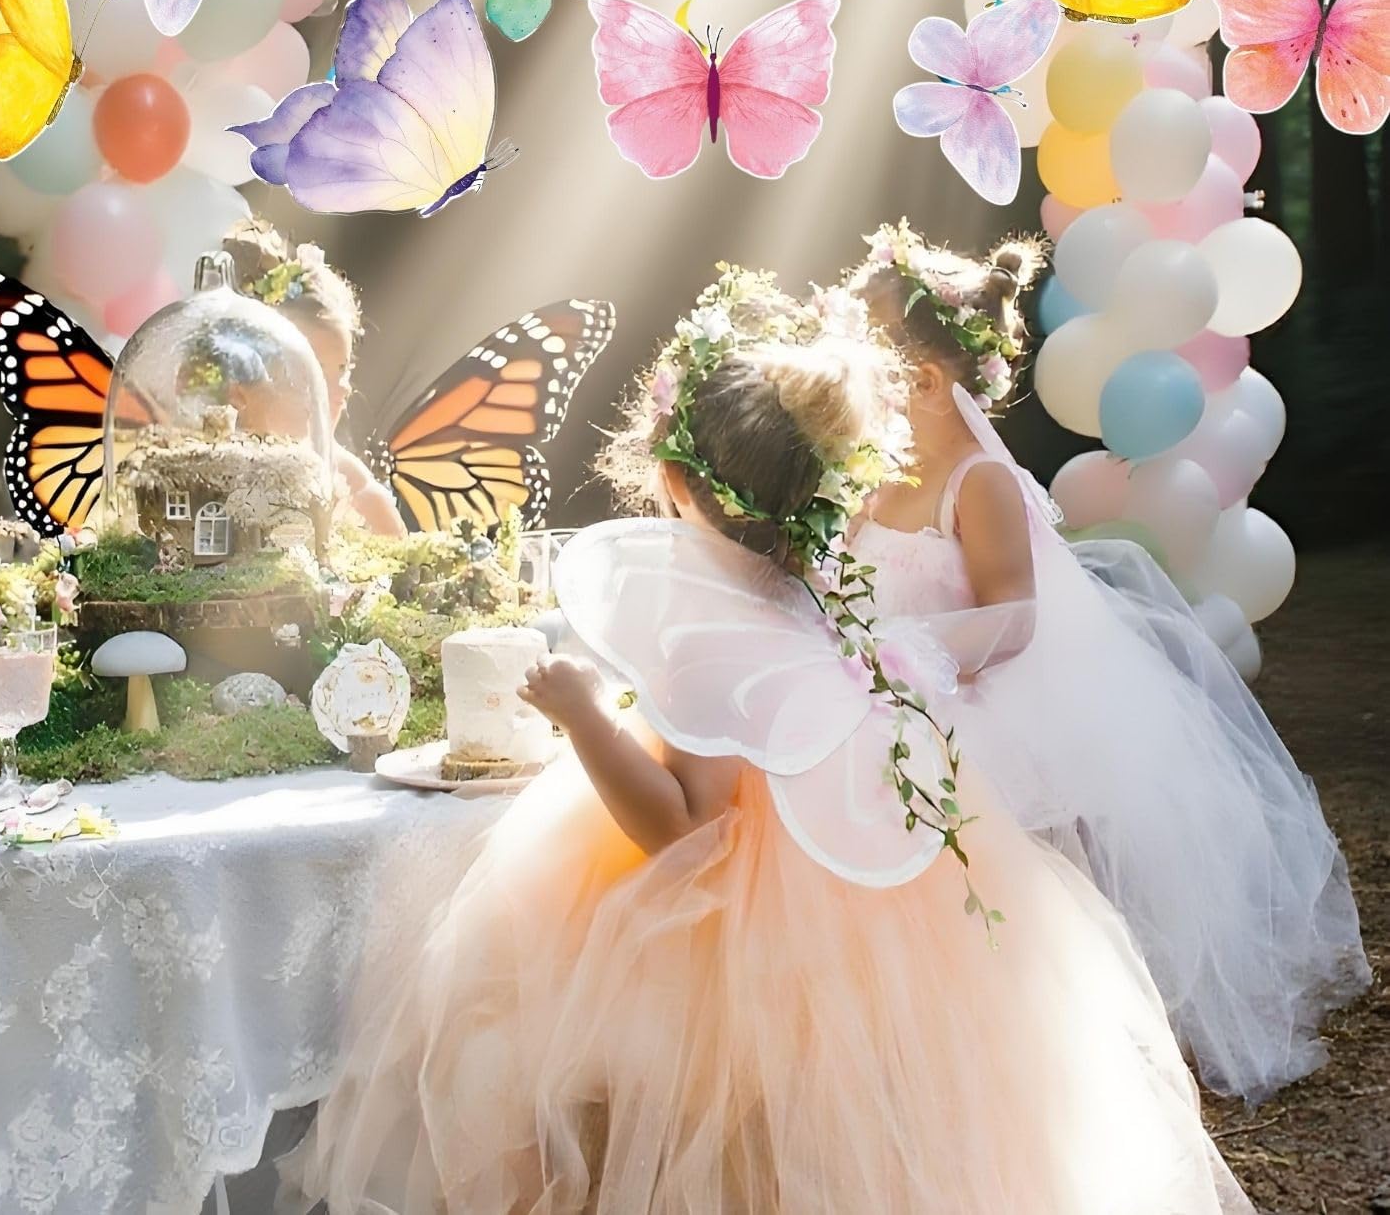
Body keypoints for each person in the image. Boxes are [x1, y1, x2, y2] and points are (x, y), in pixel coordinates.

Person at [280, 269, 1251, 1215]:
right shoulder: (808, 600)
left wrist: (581, 714)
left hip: (732, 931)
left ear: (672, 480)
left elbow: (680, 827)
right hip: (858, 918)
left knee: (673, 1105)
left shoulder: (714, 643)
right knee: (808, 1134)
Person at [843, 220, 1369, 1103]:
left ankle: (1009, 1033)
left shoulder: (978, 482)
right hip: (881, 690)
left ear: (925, 379)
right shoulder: (873, 473)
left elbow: (1014, 615)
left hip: (960, 693)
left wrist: (911, 655)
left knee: (988, 877)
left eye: (863, 356)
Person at [223, 219, 407, 539]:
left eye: (342, 370)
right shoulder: (208, 472)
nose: (339, 389)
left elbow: (403, 560)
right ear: (239, 384)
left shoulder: (358, 494)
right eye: (308, 372)